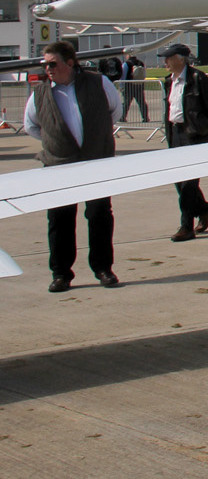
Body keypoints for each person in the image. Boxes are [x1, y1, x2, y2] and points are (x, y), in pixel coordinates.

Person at [23, 40, 124, 292]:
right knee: (60, 219)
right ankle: (61, 274)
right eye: (45, 64)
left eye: (52, 63)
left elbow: (115, 111)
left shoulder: (99, 83)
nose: (48, 68)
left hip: (95, 161)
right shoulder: (40, 92)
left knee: (99, 215)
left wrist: (95, 137)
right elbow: (32, 126)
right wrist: (57, 142)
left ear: (69, 62)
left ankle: (103, 268)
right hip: (59, 165)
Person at [159, 42, 208, 242]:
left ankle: (186, 227)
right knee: (180, 182)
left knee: (188, 183)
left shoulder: (199, 79)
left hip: (194, 135)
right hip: (175, 133)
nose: (165, 62)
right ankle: (204, 210)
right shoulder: (169, 81)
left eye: (169, 58)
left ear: (180, 59)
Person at [120, 54, 149, 122]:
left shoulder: (126, 64)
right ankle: (145, 117)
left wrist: (122, 86)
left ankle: (122, 117)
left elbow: (123, 76)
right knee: (141, 102)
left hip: (129, 85)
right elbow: (144, 74)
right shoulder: (141, 63)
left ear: (128, 56)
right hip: (139, 85)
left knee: (126, 103)